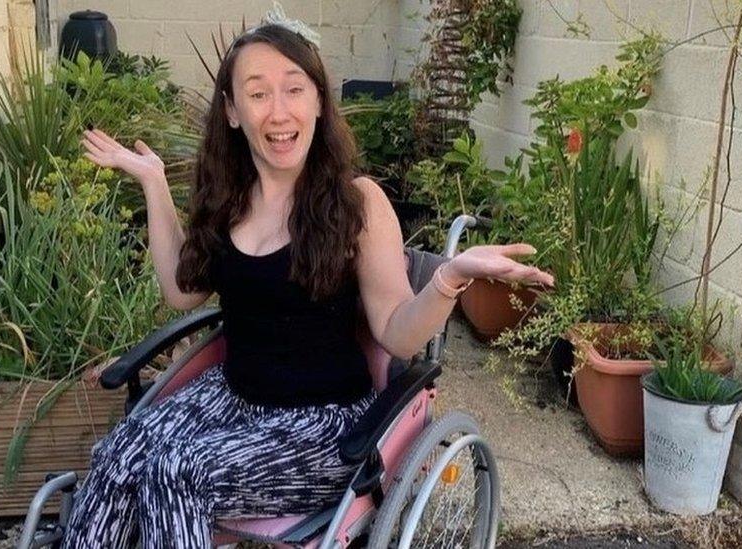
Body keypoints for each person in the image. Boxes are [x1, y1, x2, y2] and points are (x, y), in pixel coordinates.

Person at [63, 20, 553, 549]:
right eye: (257, 93)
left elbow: (398, 334)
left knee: (176, 471)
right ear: (232, 110)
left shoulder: (356, 203)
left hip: (324, 427)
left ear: (319, 101)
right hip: (232, 399)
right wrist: (155, 183)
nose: (278, 111)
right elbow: (184, 292)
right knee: (115, 459)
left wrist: (450, 277)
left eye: (294, 88)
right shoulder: (228, 198)